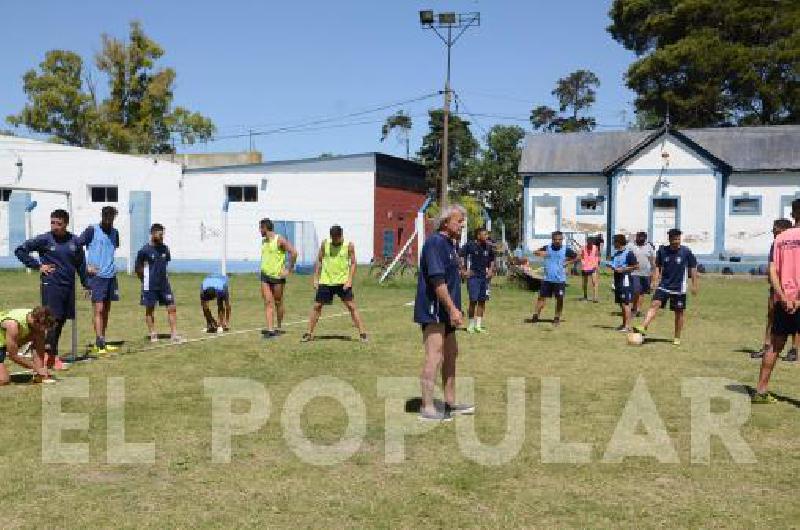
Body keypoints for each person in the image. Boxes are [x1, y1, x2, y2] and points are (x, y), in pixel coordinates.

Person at [415, 204, 473, 422]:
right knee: (435, 355)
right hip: (434, 309)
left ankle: (449, 403)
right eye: (459, 221)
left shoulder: (450, 245)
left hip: (447, 311)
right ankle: (427, 407)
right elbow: (437, 280)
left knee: (451, 354)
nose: (462, 225)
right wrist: (451, 308)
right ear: (446, 222)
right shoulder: (434, 243)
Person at [15, 209, 88, 369]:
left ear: (66, 224)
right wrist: (37, 265)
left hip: (68, 286)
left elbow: (81, 265)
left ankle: (43, 351)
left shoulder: (75, 242)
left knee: (60, 320)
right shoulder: (44, 239)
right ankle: (50, 356)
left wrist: (86, 284)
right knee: (51, 321)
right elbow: (20, 250)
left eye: (59, 223)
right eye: (52, 222)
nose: (55, 226)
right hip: (51, 286)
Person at [753, 200, 800, 403]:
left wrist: (782, 296)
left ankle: (761, 391)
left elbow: (772, 270)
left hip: (783, 300)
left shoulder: (780, 238)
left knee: (774, 345)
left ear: (793, 213)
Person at [301, 225, 368, 342]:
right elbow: (319, 260)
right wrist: (315, 278)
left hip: (343, 282)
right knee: (317, 306)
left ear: (341, 235)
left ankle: (362, 334)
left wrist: (350, 280)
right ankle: (308, 333)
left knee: (352, 307)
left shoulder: (349, 245)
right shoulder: (325, 244)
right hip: (326, 281)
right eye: (333, 238)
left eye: (337, 238)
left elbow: (353, 263)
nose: (335, 240)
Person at [633, 228, 699, 346]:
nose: (676, 241)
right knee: (654, 304)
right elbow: (658, 267)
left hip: (679, 288)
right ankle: (643, 326)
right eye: (674, 239)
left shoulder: (686, 252)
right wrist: (655, 280)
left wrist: (694, 284)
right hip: (664, 285)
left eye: (678, 239)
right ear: (669, 239)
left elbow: (693, 268)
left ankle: (677, 337)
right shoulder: (663, 251)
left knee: (679, 313)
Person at [752, 219, 798, 360]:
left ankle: (794, 349)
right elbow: (772, 266)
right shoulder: (776, 243)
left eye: (776, 230)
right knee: (771, 315)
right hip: (777, 287)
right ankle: (767, 345)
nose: (773, 233)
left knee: (795, 319)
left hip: (794, 289)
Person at [78, 206, 121, 356]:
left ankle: (103, 339)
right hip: (96, 277)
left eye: (111, 216)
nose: (108, 218)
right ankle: (98, 341)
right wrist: (85, 266)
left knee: (107, 309)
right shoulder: (92, 230)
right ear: (102, 215)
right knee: (99, 309)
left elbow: (111, 251)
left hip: (110, 276)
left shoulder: (115, 233)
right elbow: (76, 246)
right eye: (106, 216)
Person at [135, 223, 181, 343]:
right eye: (159, 234)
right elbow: (138, 268)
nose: (161, 237)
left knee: (172, 307)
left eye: (162, 234)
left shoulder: (165, 248)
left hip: (164, 285)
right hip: (149, 285)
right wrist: (144, 280)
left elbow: (165, 264)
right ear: (153, 233)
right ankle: (152, 333)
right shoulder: (144, 250)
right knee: (150, 309)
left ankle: (174, 334)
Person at [259, 218, 298, 339]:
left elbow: (294, 252)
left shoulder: (279, 239)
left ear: (265, 228)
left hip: (277, 278)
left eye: (260, 228)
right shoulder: (264, 241)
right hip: (265, 276)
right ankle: (271, 330)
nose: (259, 230)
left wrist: (288, 269)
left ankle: (279, 326)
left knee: (278, 302)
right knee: (268, 302)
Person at [531, 231, 578, 326]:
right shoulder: (547, 248)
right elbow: (535, 252)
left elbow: (578, 257)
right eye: (555, 239)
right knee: (541, 298)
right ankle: (536, 316)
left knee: (559, 299)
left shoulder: (566, 250)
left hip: (559, 280)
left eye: (559, 239)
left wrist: (568, 262)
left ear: (562, 239)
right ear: (552, 240)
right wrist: (541, 253)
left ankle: (557, 317)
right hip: (547, 279)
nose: (557, 241)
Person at [0, 306, 55, 385]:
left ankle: (38, 374)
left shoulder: (36, 318)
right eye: (44, 327)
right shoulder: (13, 325)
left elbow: (39, 349)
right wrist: (36, 368)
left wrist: (40, 371)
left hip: (4, 340)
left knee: (38, 334)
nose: (44, 330)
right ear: (35, 321)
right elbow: (13, 355)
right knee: (3, 380)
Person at [460, 227, 495, 333]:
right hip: (473, 278)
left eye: (487, 234)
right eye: (484, 234)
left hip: (484, 278)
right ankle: (471, 325)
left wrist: (490, 270)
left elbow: (492, 259)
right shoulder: (470, 245)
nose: (486, 236)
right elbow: (460, 256)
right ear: (478, 236)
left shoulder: (488, 247)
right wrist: (463, 270)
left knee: (482, 301)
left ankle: (478, 326)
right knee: (473, 301)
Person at [605, 234, 638, 332]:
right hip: (617, 280)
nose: (613, 244)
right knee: (621, 303)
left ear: (619, 242)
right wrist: (610, 265)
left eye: (614, 242)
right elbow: (616, 265)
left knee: (625, 303)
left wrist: (623, 269)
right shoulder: (616, 254)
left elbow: (636, 266)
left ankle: (627, 326)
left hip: (625, 280)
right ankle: (624, 324)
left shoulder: (629, 253)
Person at [629, 231, 656, 317]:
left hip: (646, 273)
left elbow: (652, 260)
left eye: (642, 238)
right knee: (636, 291)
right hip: (634, 272)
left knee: (642, 292)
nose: (641, 239)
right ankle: (634, 308)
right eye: (639, 237)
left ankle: (638, 310)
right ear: (636, 237)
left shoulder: (648, 246)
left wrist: (653, 271)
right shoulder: (631, 246)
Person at [579, 236, 600, 302]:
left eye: (590, 243)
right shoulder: (583, 248)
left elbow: (597, 257)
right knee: (585, 283)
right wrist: (583, 264)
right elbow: (582, 257)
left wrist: (596, 266)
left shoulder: (595, 248)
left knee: (594, 282)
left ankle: (595, 297)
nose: (589, 244)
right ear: (587, 242)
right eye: (588, 243)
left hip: (593, 267)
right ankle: (585, 296)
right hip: (585, 268)